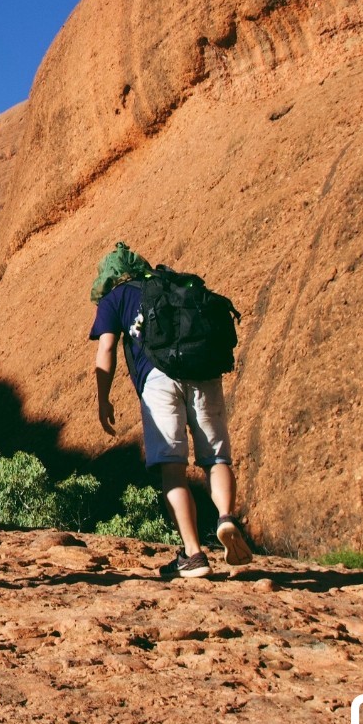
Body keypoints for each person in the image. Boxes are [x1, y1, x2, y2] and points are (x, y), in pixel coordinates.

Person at [89, 241, 252, 578]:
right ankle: (225, 517)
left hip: (159, 380)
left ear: (109, 277)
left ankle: (193, 556)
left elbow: (106, 349)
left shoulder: (114, 298)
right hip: (202, 372)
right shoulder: (169, 284)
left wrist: (103, 398)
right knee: (216, 458)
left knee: (172, 469)